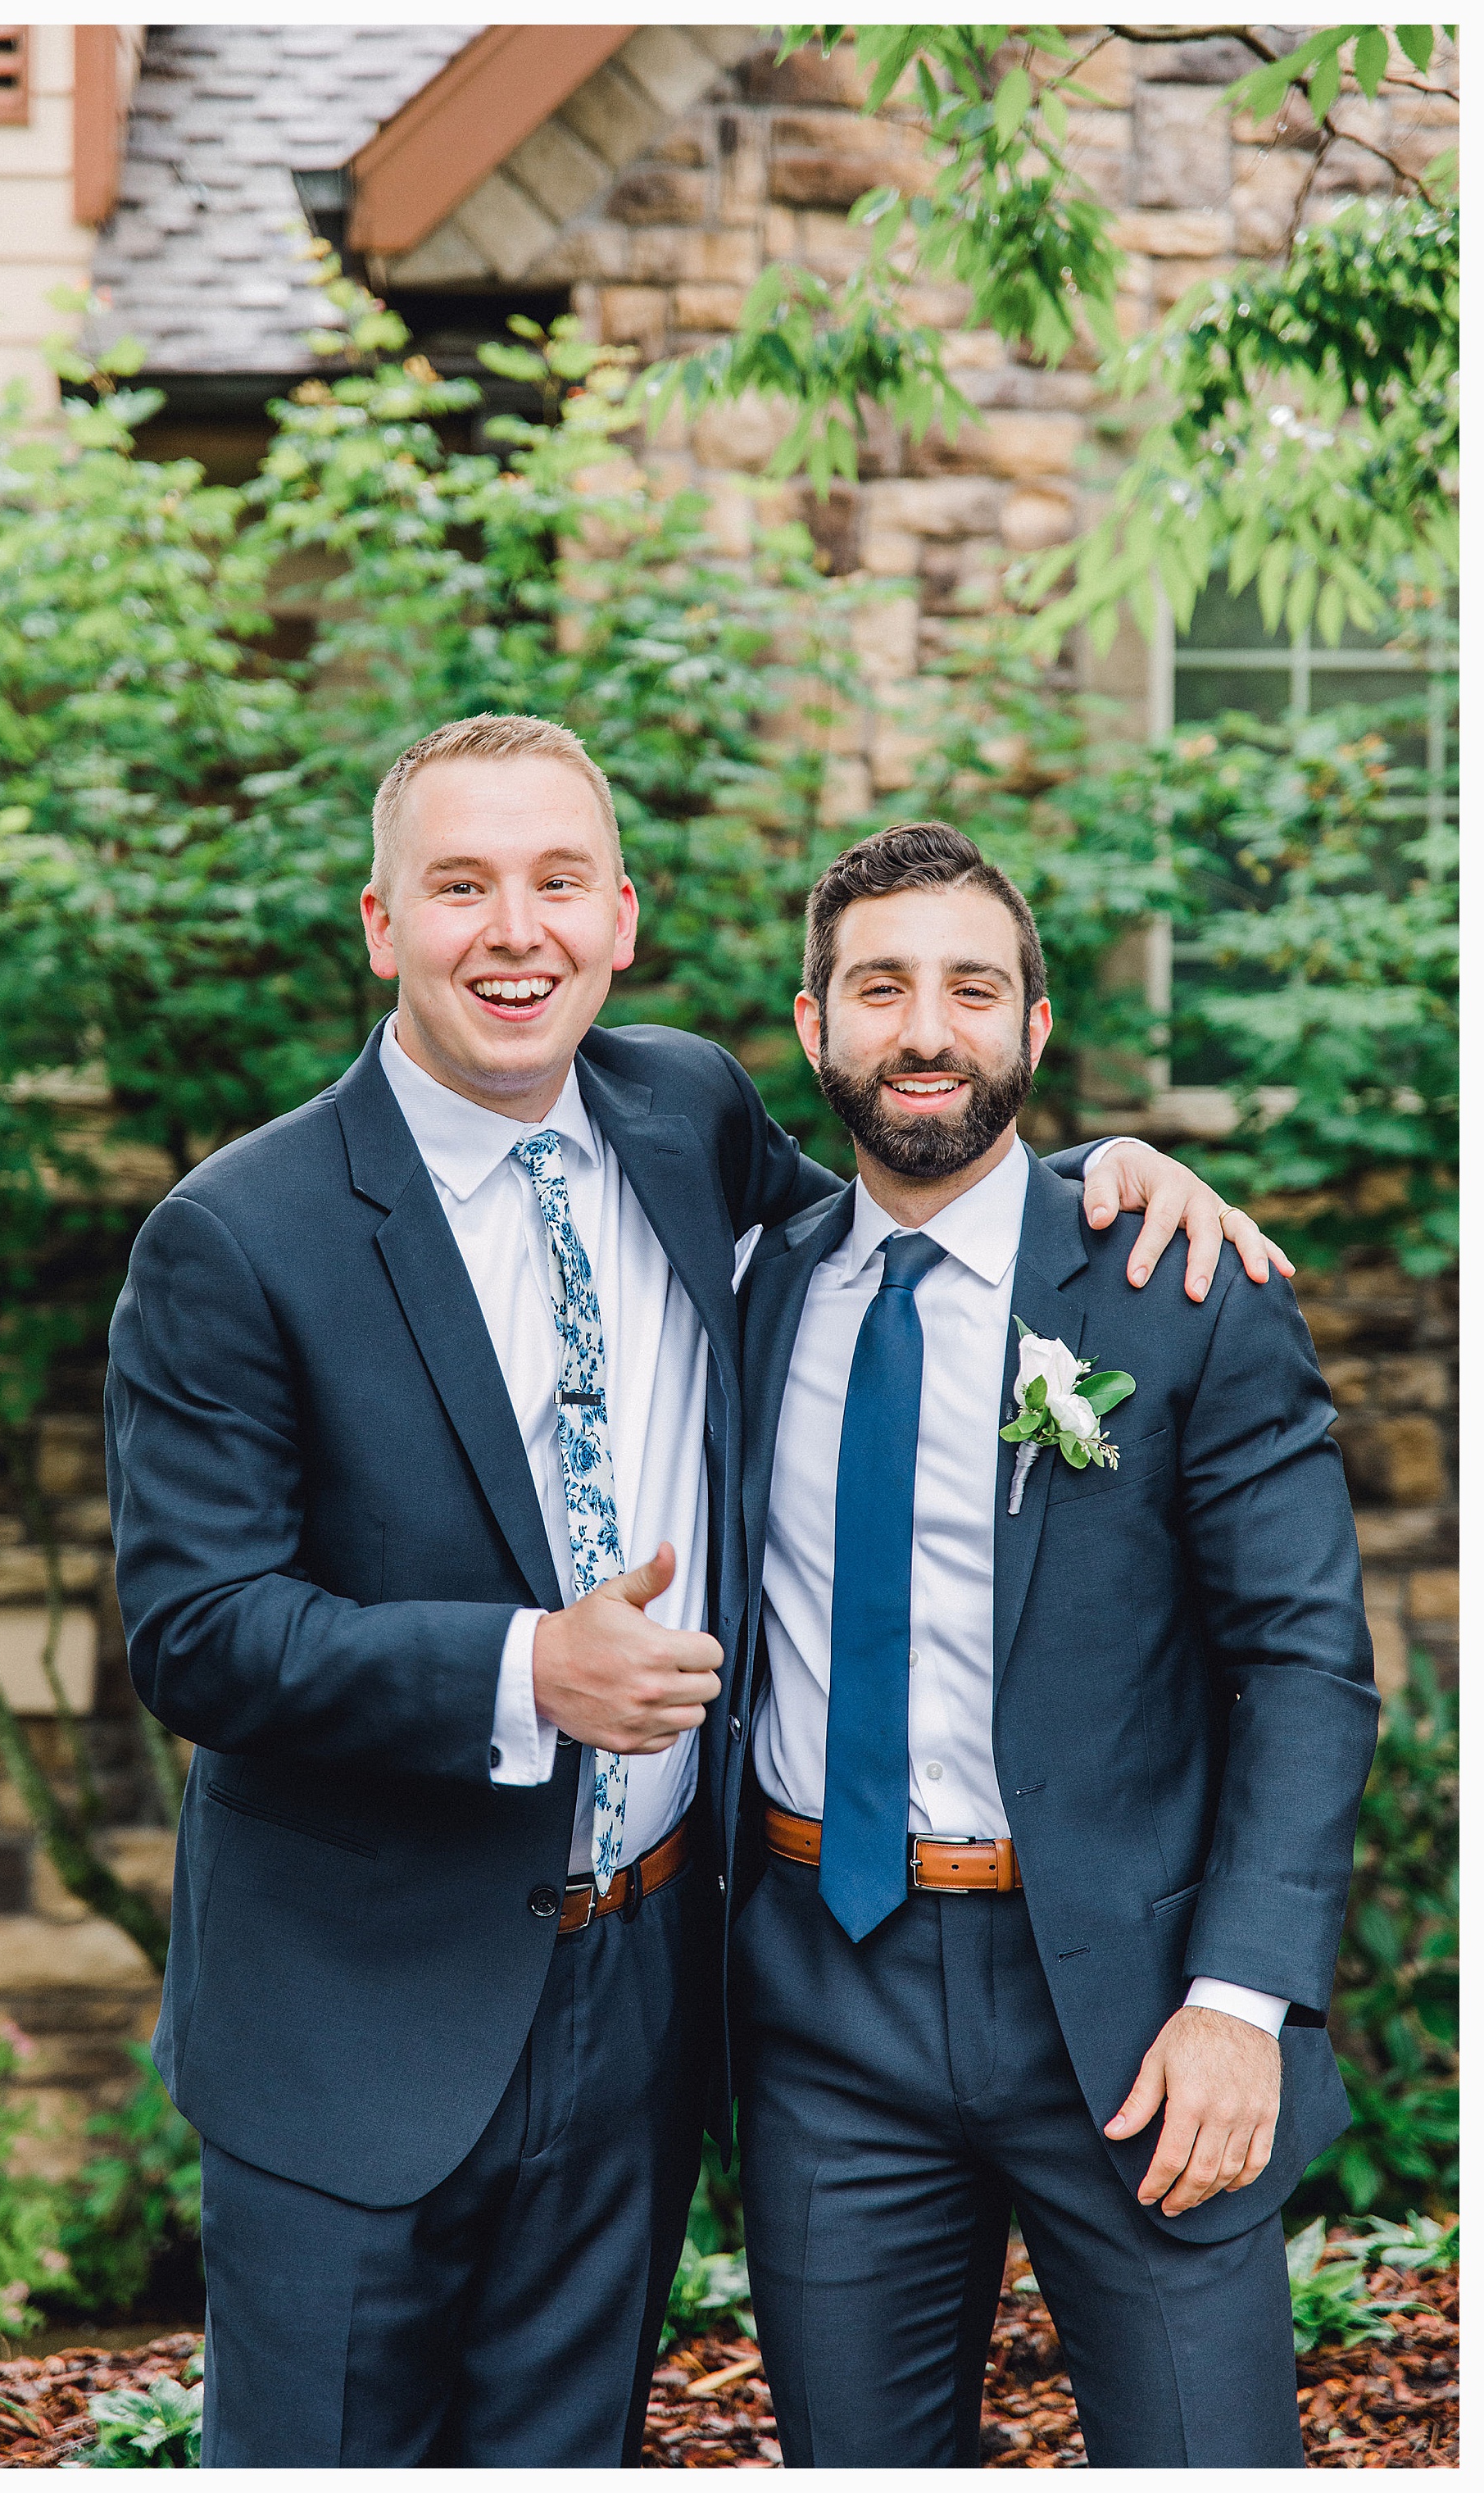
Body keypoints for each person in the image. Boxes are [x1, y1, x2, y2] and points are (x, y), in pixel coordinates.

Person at [105, 719, 1291, 2467]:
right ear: (380, 925)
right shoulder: (236, 1234)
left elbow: (917, 1223)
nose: (515, 930)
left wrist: (1096, 1185)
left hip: (647, 1996)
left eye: (556, 882)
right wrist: (526, 1673)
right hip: (357, 2017)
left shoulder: (682, 1113)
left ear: (622, 918)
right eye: (461, 886)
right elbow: (193, 1633)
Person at [718, 819, 1380, 2469]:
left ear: (1032, 1028)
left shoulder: (1177, 1285)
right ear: (814, 1029)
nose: (923, 1032)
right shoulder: (741, 1289)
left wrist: (1245, 2001)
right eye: (877, 989)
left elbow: (1305, 1661)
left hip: (1132, 2004)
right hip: (821, 1992)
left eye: (969, 988)